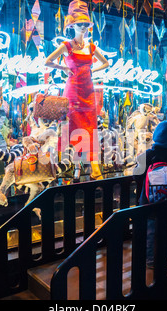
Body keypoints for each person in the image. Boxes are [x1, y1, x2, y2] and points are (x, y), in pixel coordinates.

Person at [45, 0, 109, 181]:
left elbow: (105, 63)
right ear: (72, 25)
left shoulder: (91, 47)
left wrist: (92, 70)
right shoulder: (67, 46)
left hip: (88, 91)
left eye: (86, 24)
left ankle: (94, 166)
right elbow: (47, 61)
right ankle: (68, 167)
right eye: (80, 24)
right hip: (72, 90)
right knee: (70, 126)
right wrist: (63, 68)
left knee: (90, 126)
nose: (83, 27)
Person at [133, 121, 167, 268]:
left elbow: (136, 176)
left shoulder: (146, 155)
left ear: (156, 136)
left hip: (148, 203)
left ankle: (151, 259)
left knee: (150, 232)